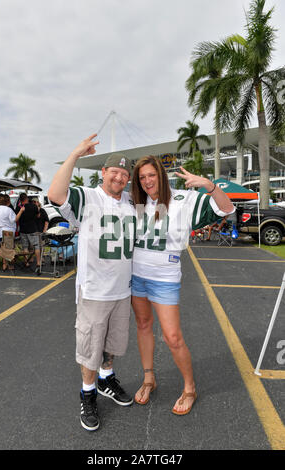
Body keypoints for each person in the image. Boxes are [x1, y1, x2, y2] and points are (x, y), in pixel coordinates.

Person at [130, 156, 235, 415]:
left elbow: (227, 208)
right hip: (136, 275)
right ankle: (148, 378)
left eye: (151, 175)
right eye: (142, 177)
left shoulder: (183, 199)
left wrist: (209, 185)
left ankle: (189, 387)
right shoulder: (137, 202)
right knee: (143, 326)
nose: (147, 181)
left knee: (173, 337)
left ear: (161, 175)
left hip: (164, 277)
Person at [48, 134, 136, 432]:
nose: (120, 177)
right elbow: (56, 194)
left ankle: (106, 379)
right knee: (90, 347)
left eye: (125, 174)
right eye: (115, 171)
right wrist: (75, 154)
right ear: (103, 173)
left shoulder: (129, 202)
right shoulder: (88, 197)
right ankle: (87, 394)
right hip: (95, 291)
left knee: (111, 345)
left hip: (122, 291)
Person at [0, 194, 25, 271]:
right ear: (8, 201)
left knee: (4, 249)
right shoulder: (8, 210)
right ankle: (11, 265)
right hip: (7, 231)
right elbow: (15, 219)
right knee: (9, 250)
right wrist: (21, 211)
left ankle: (4, 265)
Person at [15, 193, 41, 272]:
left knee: (25, 247)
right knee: (36, 246)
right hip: (33, 229)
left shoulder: (18, 208)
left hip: (23, 230)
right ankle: (38, 263)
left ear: (20, 200)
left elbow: (16, 218)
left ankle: (26, 263)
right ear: (26, 199)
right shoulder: (33, 206)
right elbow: (38, 216)